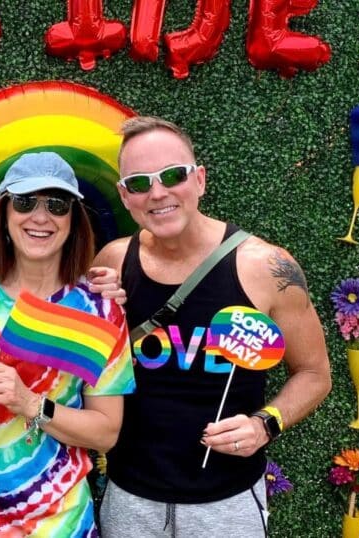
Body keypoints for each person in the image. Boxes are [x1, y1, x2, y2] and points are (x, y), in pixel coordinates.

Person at [94, 117, 332, 537]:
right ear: (124, 196)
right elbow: (81, 365)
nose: (158, 192)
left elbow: (315, 374)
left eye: (172, 175)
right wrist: (96, 311)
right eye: (139, 182)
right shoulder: (111, 263)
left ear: (200, 180)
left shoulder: (266, 267)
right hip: (130, 499)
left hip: (227, 502)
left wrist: (265, 424)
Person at [0, 152, 135, 537]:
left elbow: (106, 431)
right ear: (4, 214)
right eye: (25, 202)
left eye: (57, 205)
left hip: (58, 524)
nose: (41, 217)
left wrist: (30, 404)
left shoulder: (99, 310)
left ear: (73, 221)